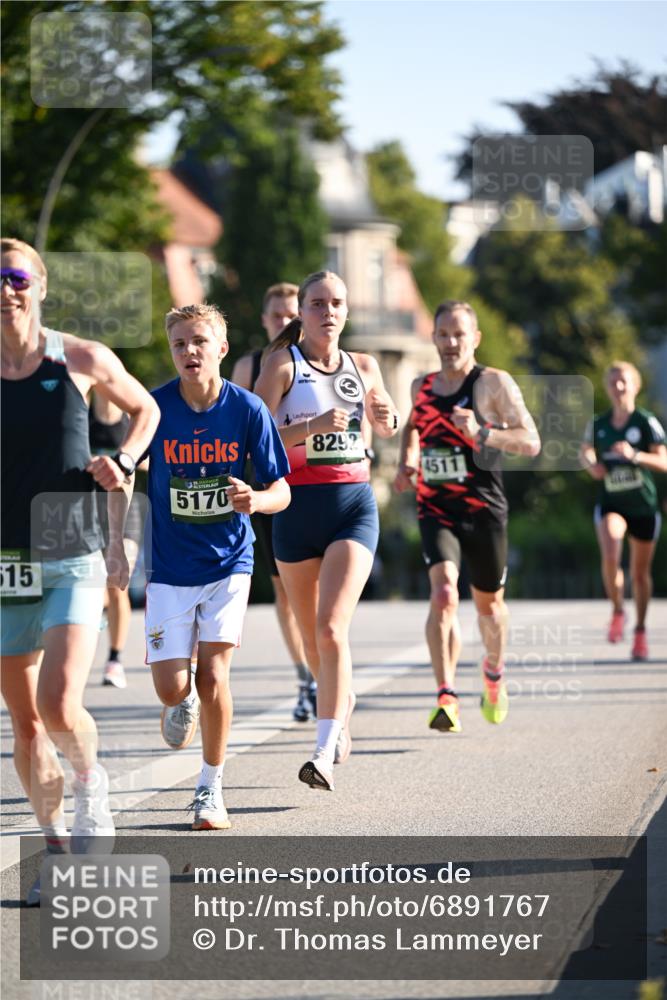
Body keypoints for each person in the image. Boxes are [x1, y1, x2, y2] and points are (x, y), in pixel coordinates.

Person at [1, 238, 160, 901]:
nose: (6, 290)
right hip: (5, 564)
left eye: (16, 278)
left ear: (40, 286)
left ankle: (92, 788)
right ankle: (57, 847)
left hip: (70, 550)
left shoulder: (81, 358)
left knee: (59, 702)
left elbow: (147, 409)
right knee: (25, 723)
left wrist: (124, 459)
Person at [145, 303, 289, 829]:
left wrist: (257, 500)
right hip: (169, 566)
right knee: (171, 687)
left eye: (200, 342)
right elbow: (124, 468)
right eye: (180, 343)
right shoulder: (154, 408)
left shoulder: (248, 409)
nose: (190, 351)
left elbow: (282, 489)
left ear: (222, 349)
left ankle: (210, 788)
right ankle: (178, 700)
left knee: (213, 677)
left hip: (230, 561)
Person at [254, 270, 399, 792]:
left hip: (352, 506)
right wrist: (311, 428)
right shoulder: (281, 366)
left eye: (336, 303)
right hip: (295, 510)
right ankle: (341, 703)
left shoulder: (365, 365)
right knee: (314, 636)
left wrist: (387, 415)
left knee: (332, 628)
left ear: (347, 310)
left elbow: (386, 425)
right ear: (301, 311)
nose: (328, 312)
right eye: (317, 303)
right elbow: (255, 439)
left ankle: (324, 748)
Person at [394, 300, 540, 734]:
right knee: (443, 595)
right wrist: (406, 463)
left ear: (475, 338)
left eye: (459, 334)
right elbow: (413, 427)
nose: (450, 342)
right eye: (443, 334)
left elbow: (530, 441)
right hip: (436, 508)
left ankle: (493, 672)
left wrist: (483, 431)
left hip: (484, 509)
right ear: (433, 338)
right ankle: (446, 696)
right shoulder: (421, 386)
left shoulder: (493, 382)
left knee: (489, 606)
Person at [231, 283, 316, 722]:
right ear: (265, 321)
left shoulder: (320, 361)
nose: (286, 323)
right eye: (277, 316)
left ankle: (324, 666)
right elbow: (234, 428)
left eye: (291, 315)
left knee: (319, 592)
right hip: (270, 489)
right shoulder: (250, 366)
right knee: (285, 590)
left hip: (317, 486)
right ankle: (306, 677)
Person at [580, 361, 666, 659]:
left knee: (640, 575)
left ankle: (640, 631)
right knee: (610, 553)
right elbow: (584, 450)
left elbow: (664, 461)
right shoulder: (598, 423)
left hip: (643, 506)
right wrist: (592, 464)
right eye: (613, 382)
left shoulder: (645, 422)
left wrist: (635, 456)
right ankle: (618, 610)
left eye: (624, 382)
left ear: (635, 386)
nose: (618, 387)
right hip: (612, 503)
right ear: (606, 387)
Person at [89, 392, 145, 688]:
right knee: (92, 586)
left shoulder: (132, 418)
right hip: (86, 509)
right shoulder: (79, 414)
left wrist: (126, 461)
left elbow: (152, 459)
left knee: (117, 583)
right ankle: (92, 611)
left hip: (125, 509)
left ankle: (114, 660)